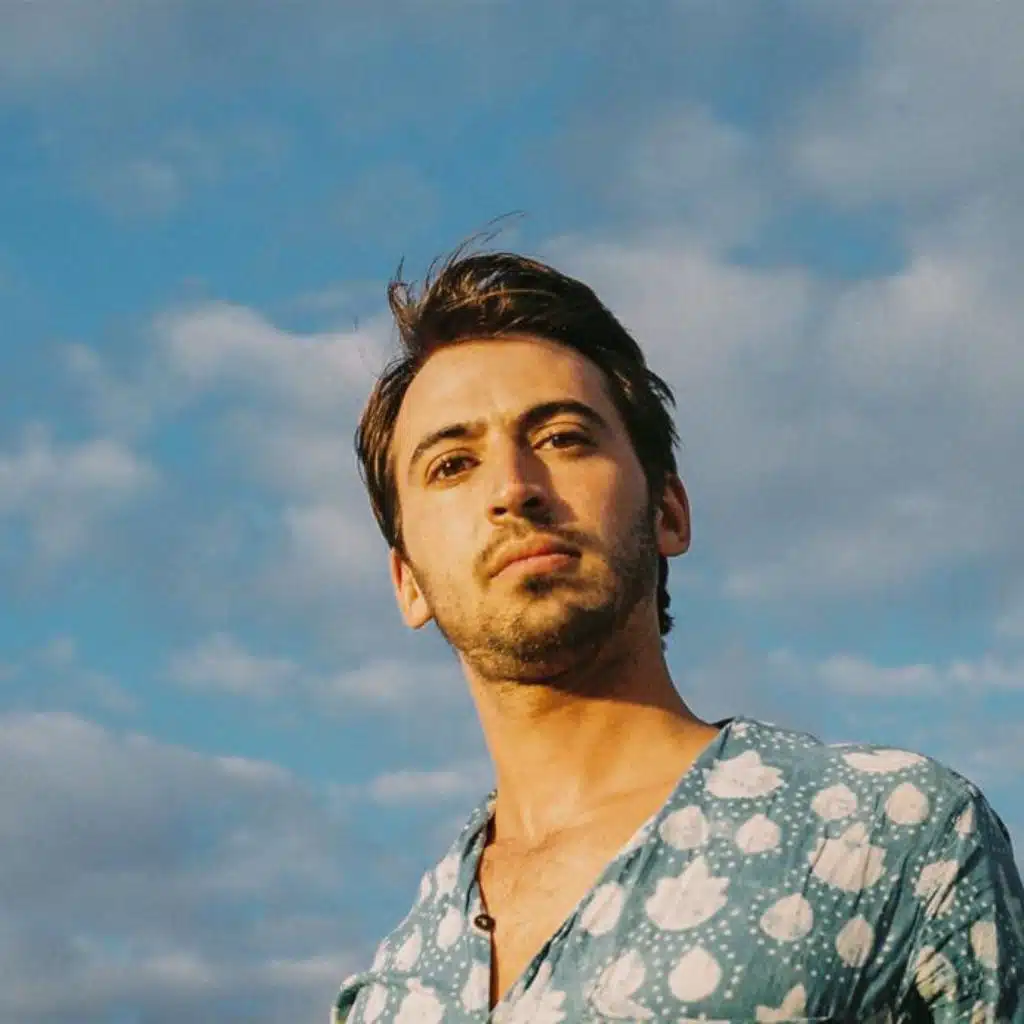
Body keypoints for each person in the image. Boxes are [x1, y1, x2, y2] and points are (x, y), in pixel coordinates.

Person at [333, 248, 1024, 1022]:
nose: (513, 489)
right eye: (453, 464)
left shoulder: (886, 835)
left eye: (562, 438)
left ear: (667, 511)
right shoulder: (389, 992)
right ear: (408, 581)